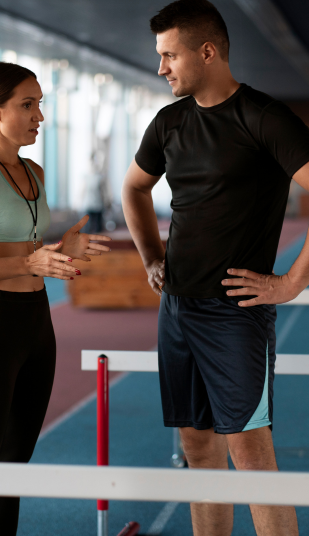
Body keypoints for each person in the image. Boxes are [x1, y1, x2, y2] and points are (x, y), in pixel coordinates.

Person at [122, 1, 309, 535]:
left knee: (252, 460)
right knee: (198, 449)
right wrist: (152, 257)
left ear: (207, 52)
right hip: (177, 308)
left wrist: (292, 282)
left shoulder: (265, 117)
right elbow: (134, 187)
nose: (161, 68)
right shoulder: (170, 122)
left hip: (236, 315)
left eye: (169, 55)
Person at [0, 62, 111, 536]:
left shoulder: (33, 171)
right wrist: (30, 262)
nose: (39, 116)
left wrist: (57, 253)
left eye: (40, 105)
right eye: (27, 105)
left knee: (11, 468)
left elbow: (26, 251)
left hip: (36, 324)